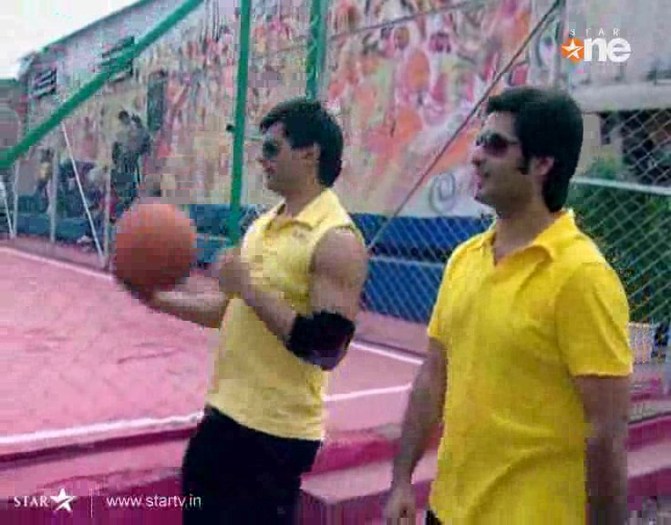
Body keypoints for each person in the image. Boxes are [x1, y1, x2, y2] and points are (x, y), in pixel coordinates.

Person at [384, 86, 633, 524]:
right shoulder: (465, 259)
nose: (476, 156)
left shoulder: (582, 276)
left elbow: (606, 431)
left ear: (542, 164)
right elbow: (433, 376)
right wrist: (402, 479)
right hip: (448, 511)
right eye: (479, 141)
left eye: (496, 145)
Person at [119, 97, 368, 524]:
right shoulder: (263, 226)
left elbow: (326, 348)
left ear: (309, 154)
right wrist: (156, 300)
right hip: (224, 417)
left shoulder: (336, 239)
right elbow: (225, 311)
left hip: (275, 435)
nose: (261, 159)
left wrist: (249, 288)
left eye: (272, 148)